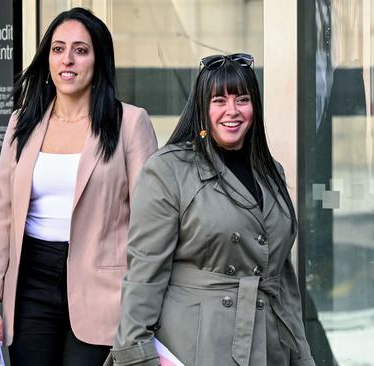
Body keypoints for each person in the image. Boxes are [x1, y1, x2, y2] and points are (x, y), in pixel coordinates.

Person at [0, 7, 158, 366]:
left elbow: (149, 226)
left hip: (103, 291)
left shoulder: (131, 123)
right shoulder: (21, 122)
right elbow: (3, 218)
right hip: (30, 282)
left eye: (81, 49)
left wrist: (143, 306)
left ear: (98, 59)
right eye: (58, 49)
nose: (67, 60)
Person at [108, 53, 315, 366]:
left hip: (269, 346)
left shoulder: (272, 172)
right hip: (197, 345)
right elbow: (144, 275)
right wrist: (136, 355)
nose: (232, 111)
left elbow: (282, 282)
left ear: (254, 107)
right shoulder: (169, 170)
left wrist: (302, 357)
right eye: (219, 100)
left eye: (242, 99)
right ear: (202, 108)